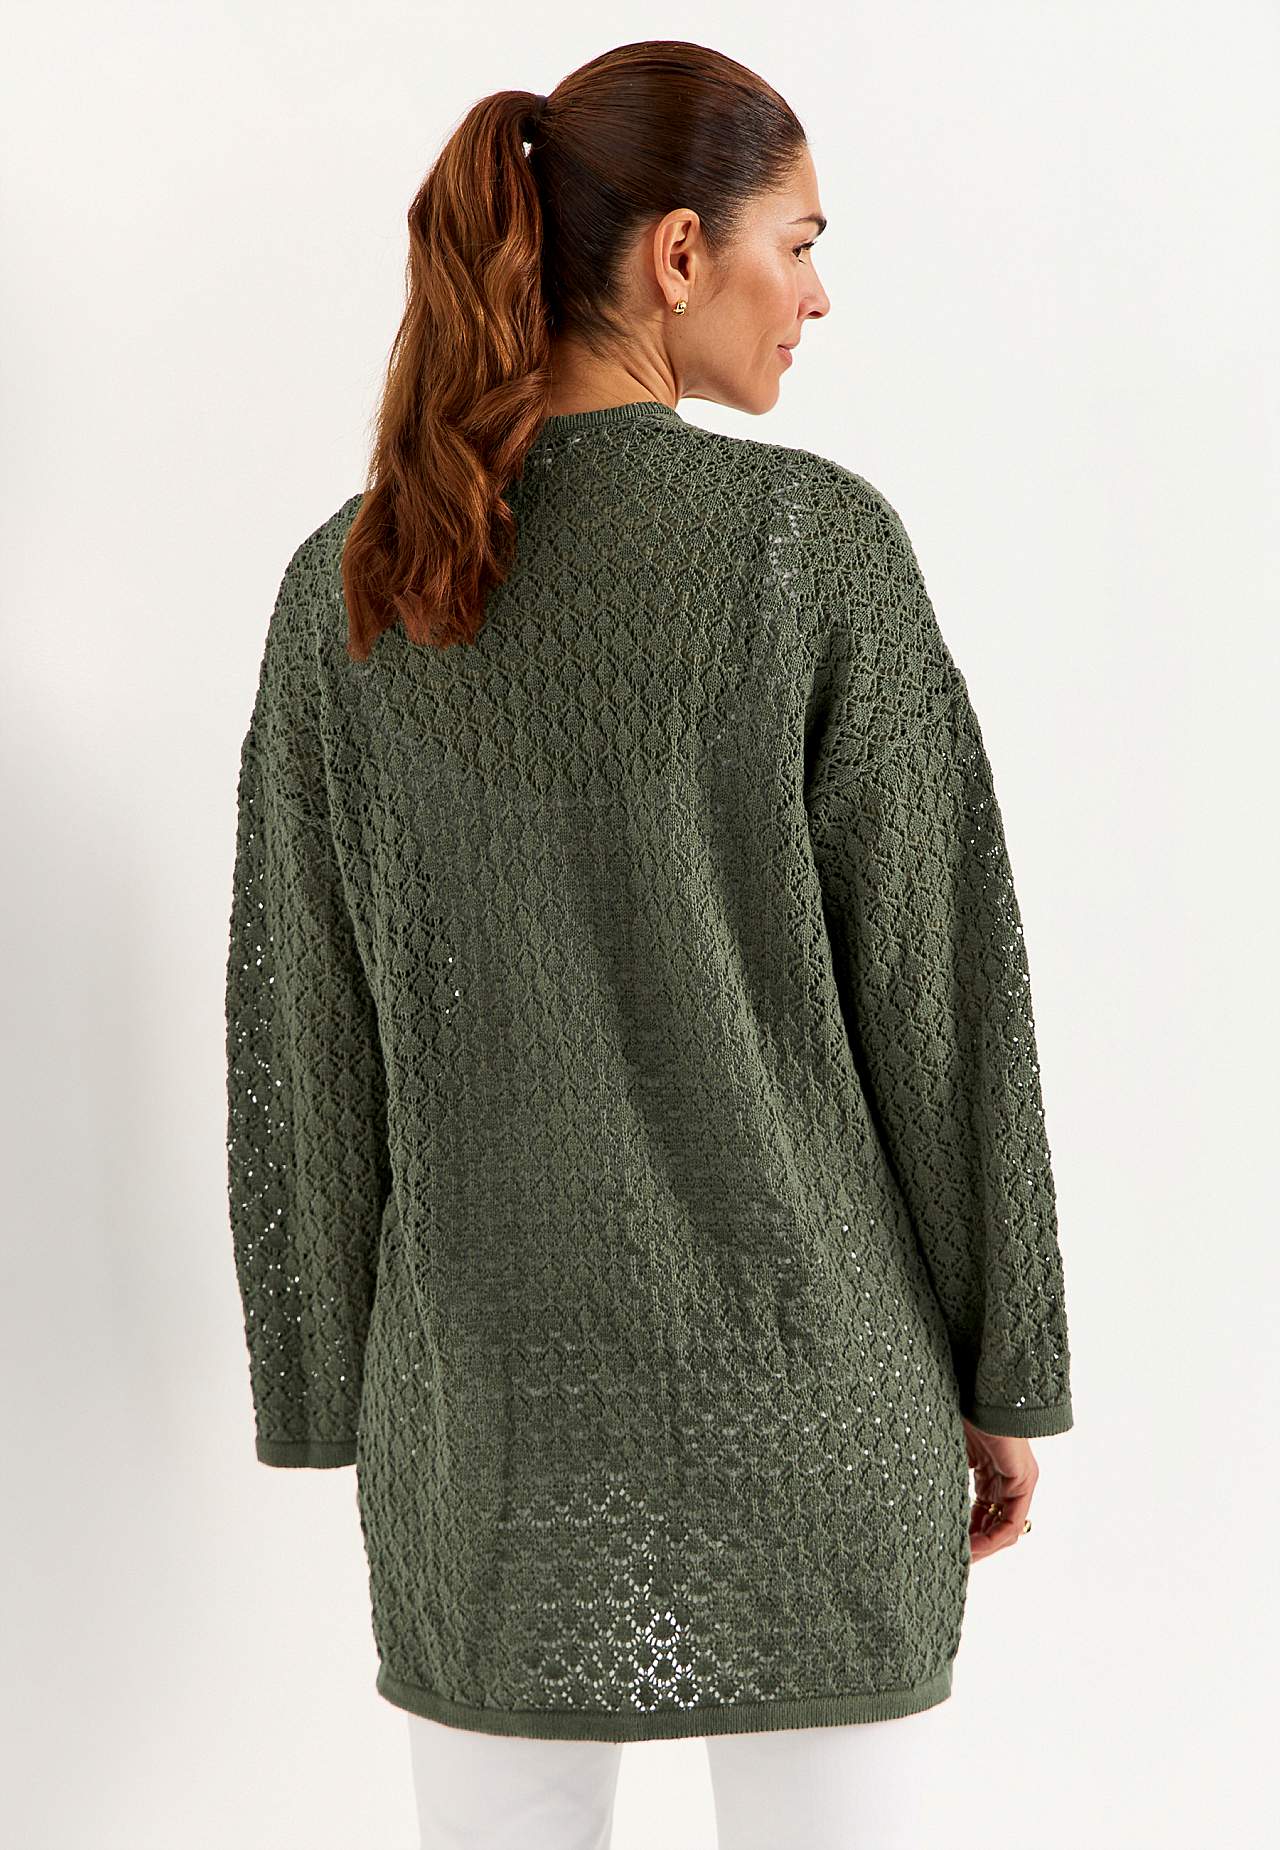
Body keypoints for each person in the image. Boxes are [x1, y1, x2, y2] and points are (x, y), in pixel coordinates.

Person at [223, 36, 1075, 1850]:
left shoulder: (353, 583)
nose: (819, 296)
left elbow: (300, 1022)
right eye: (800, 244)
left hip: (487, 1434)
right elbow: (944, 998)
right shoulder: (808, 547)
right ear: (681, 254)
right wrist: (1003, 1365)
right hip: (815, 1403)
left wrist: (325, 1373)